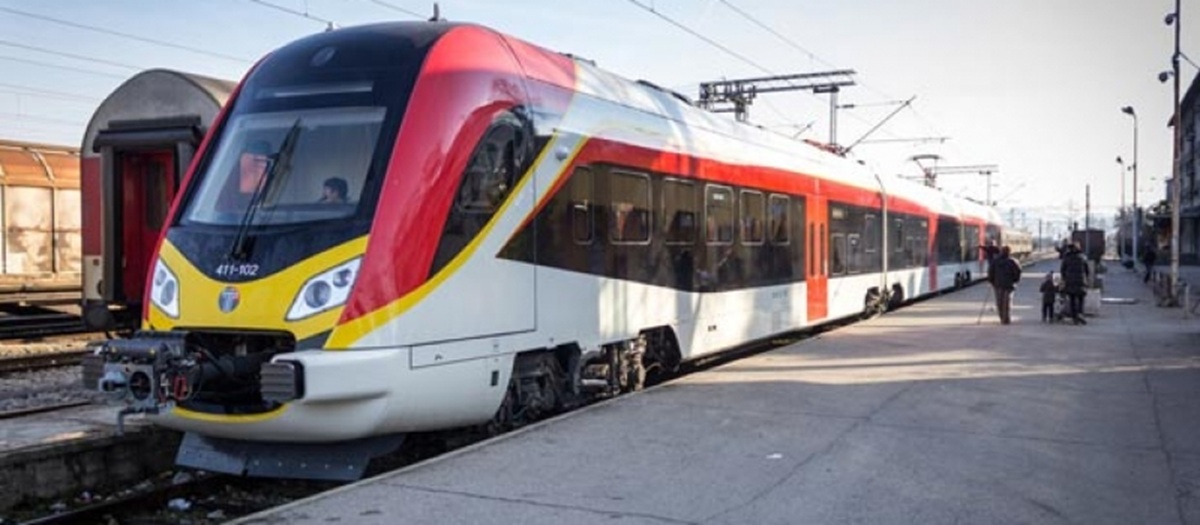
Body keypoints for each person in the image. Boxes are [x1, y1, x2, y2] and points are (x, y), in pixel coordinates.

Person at [987, 245, 1022, 324]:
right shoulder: (1013, 261)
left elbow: (990, 272)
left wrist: (991, 281)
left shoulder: (995, 261)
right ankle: (1006, 318)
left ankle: (1002, 318)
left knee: (1000, 302)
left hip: (998, 285)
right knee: (1007, 302)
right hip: (1009, 285)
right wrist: (1015, 280)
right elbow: (1018, 272)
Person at [1059, 242, 1089, 325]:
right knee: (1081, 299)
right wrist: (1086, 279)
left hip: (1070, 282)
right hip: (1081, 281)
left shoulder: (1067, 258)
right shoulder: (1083, 257)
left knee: (1072, 300)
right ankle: (1080, 314)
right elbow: (1087, 270)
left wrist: (1064, 279)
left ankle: (1074, 317)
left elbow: (1062, 270)